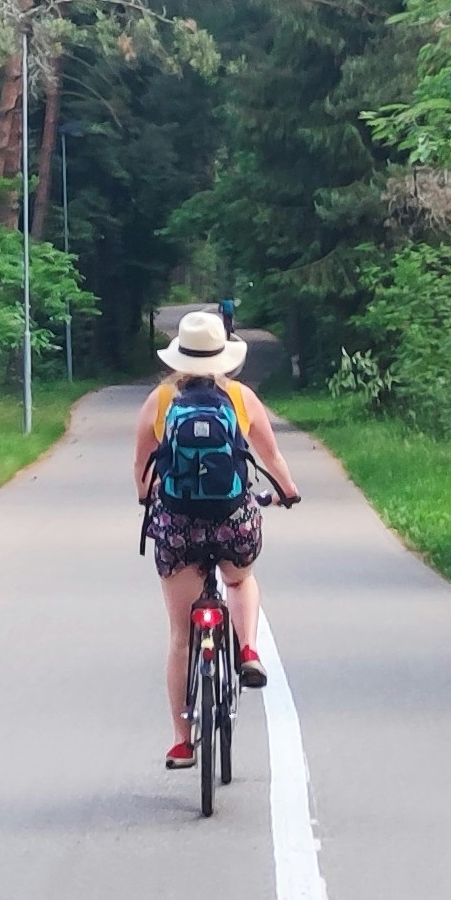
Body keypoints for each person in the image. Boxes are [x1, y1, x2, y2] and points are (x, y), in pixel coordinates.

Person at [137, 308, 298, 770]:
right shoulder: (242, 398)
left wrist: (149, 497)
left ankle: (182, 742)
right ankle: (248, 648)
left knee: (181, 638)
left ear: (179, 358)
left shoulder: (161, 401)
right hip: (232, 518)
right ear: (224, 357)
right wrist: (288, 492)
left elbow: (141, 472)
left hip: (178, 524)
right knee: (240, 579)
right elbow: (271, 456)